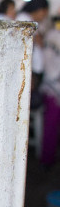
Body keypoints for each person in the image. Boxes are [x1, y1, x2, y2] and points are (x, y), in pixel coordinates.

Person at [39, 16, 60, 167]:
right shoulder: (54, 36)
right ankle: (47, 160)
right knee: (51, 126)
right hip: (54, 88)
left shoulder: (51, 35)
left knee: (51, 126)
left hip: (50, 85)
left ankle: (47, 159)